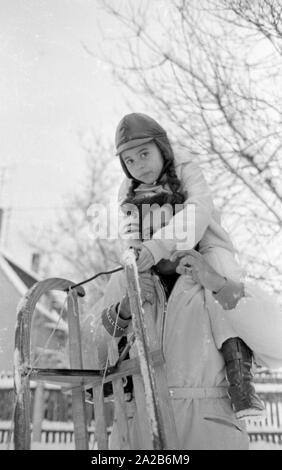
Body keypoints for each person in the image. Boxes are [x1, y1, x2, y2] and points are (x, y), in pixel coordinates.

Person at [81, 113, 282, 450]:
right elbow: (86, 365)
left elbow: (277, 343)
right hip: (136, 439)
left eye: (166, 218)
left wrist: (218, 285)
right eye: (145, 220)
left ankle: (239, 373)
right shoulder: (124, 285)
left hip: (209, 434)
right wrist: (124, 313)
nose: (155, 230)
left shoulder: (215, 274)